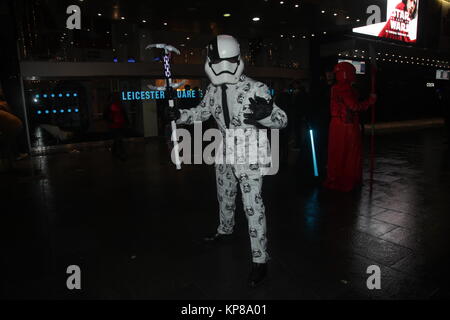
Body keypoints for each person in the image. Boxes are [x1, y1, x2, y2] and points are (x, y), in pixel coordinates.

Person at [167, 35, 288, 287]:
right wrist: (179, 115)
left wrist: (265, 116)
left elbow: (282, 120)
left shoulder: (257, 88)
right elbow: (202, 112)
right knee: (224, 193)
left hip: (250, 151)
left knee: (252, 206)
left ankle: (260, 259)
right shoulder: (212, 89)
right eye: (218, 60)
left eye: (228, 60)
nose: (223, 66)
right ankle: (225, 229)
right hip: (223, 148)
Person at [323, 62, 376, 192]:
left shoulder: (335, 87)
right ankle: (347, 180)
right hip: (347, 126)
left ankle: (336, 178)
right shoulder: (344, 88)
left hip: (336, 125)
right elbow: (354, 106)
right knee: (349, 154)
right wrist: (370, 101)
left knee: (336, 153)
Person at [0, 97, 23, 171]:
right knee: (8, 145)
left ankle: (8, 166)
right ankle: (11, 164)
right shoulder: (3, 106)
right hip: (16, 124)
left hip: (12, 126)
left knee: (6, 146)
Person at [104, 92, 128, 160]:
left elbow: (124, 114)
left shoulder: (115, 105)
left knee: (117, 139)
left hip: (118, 125)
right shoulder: (112, 106)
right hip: (115, 125)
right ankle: (121, 154)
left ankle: (115, 152)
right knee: (119, 139)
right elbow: (106, 116)